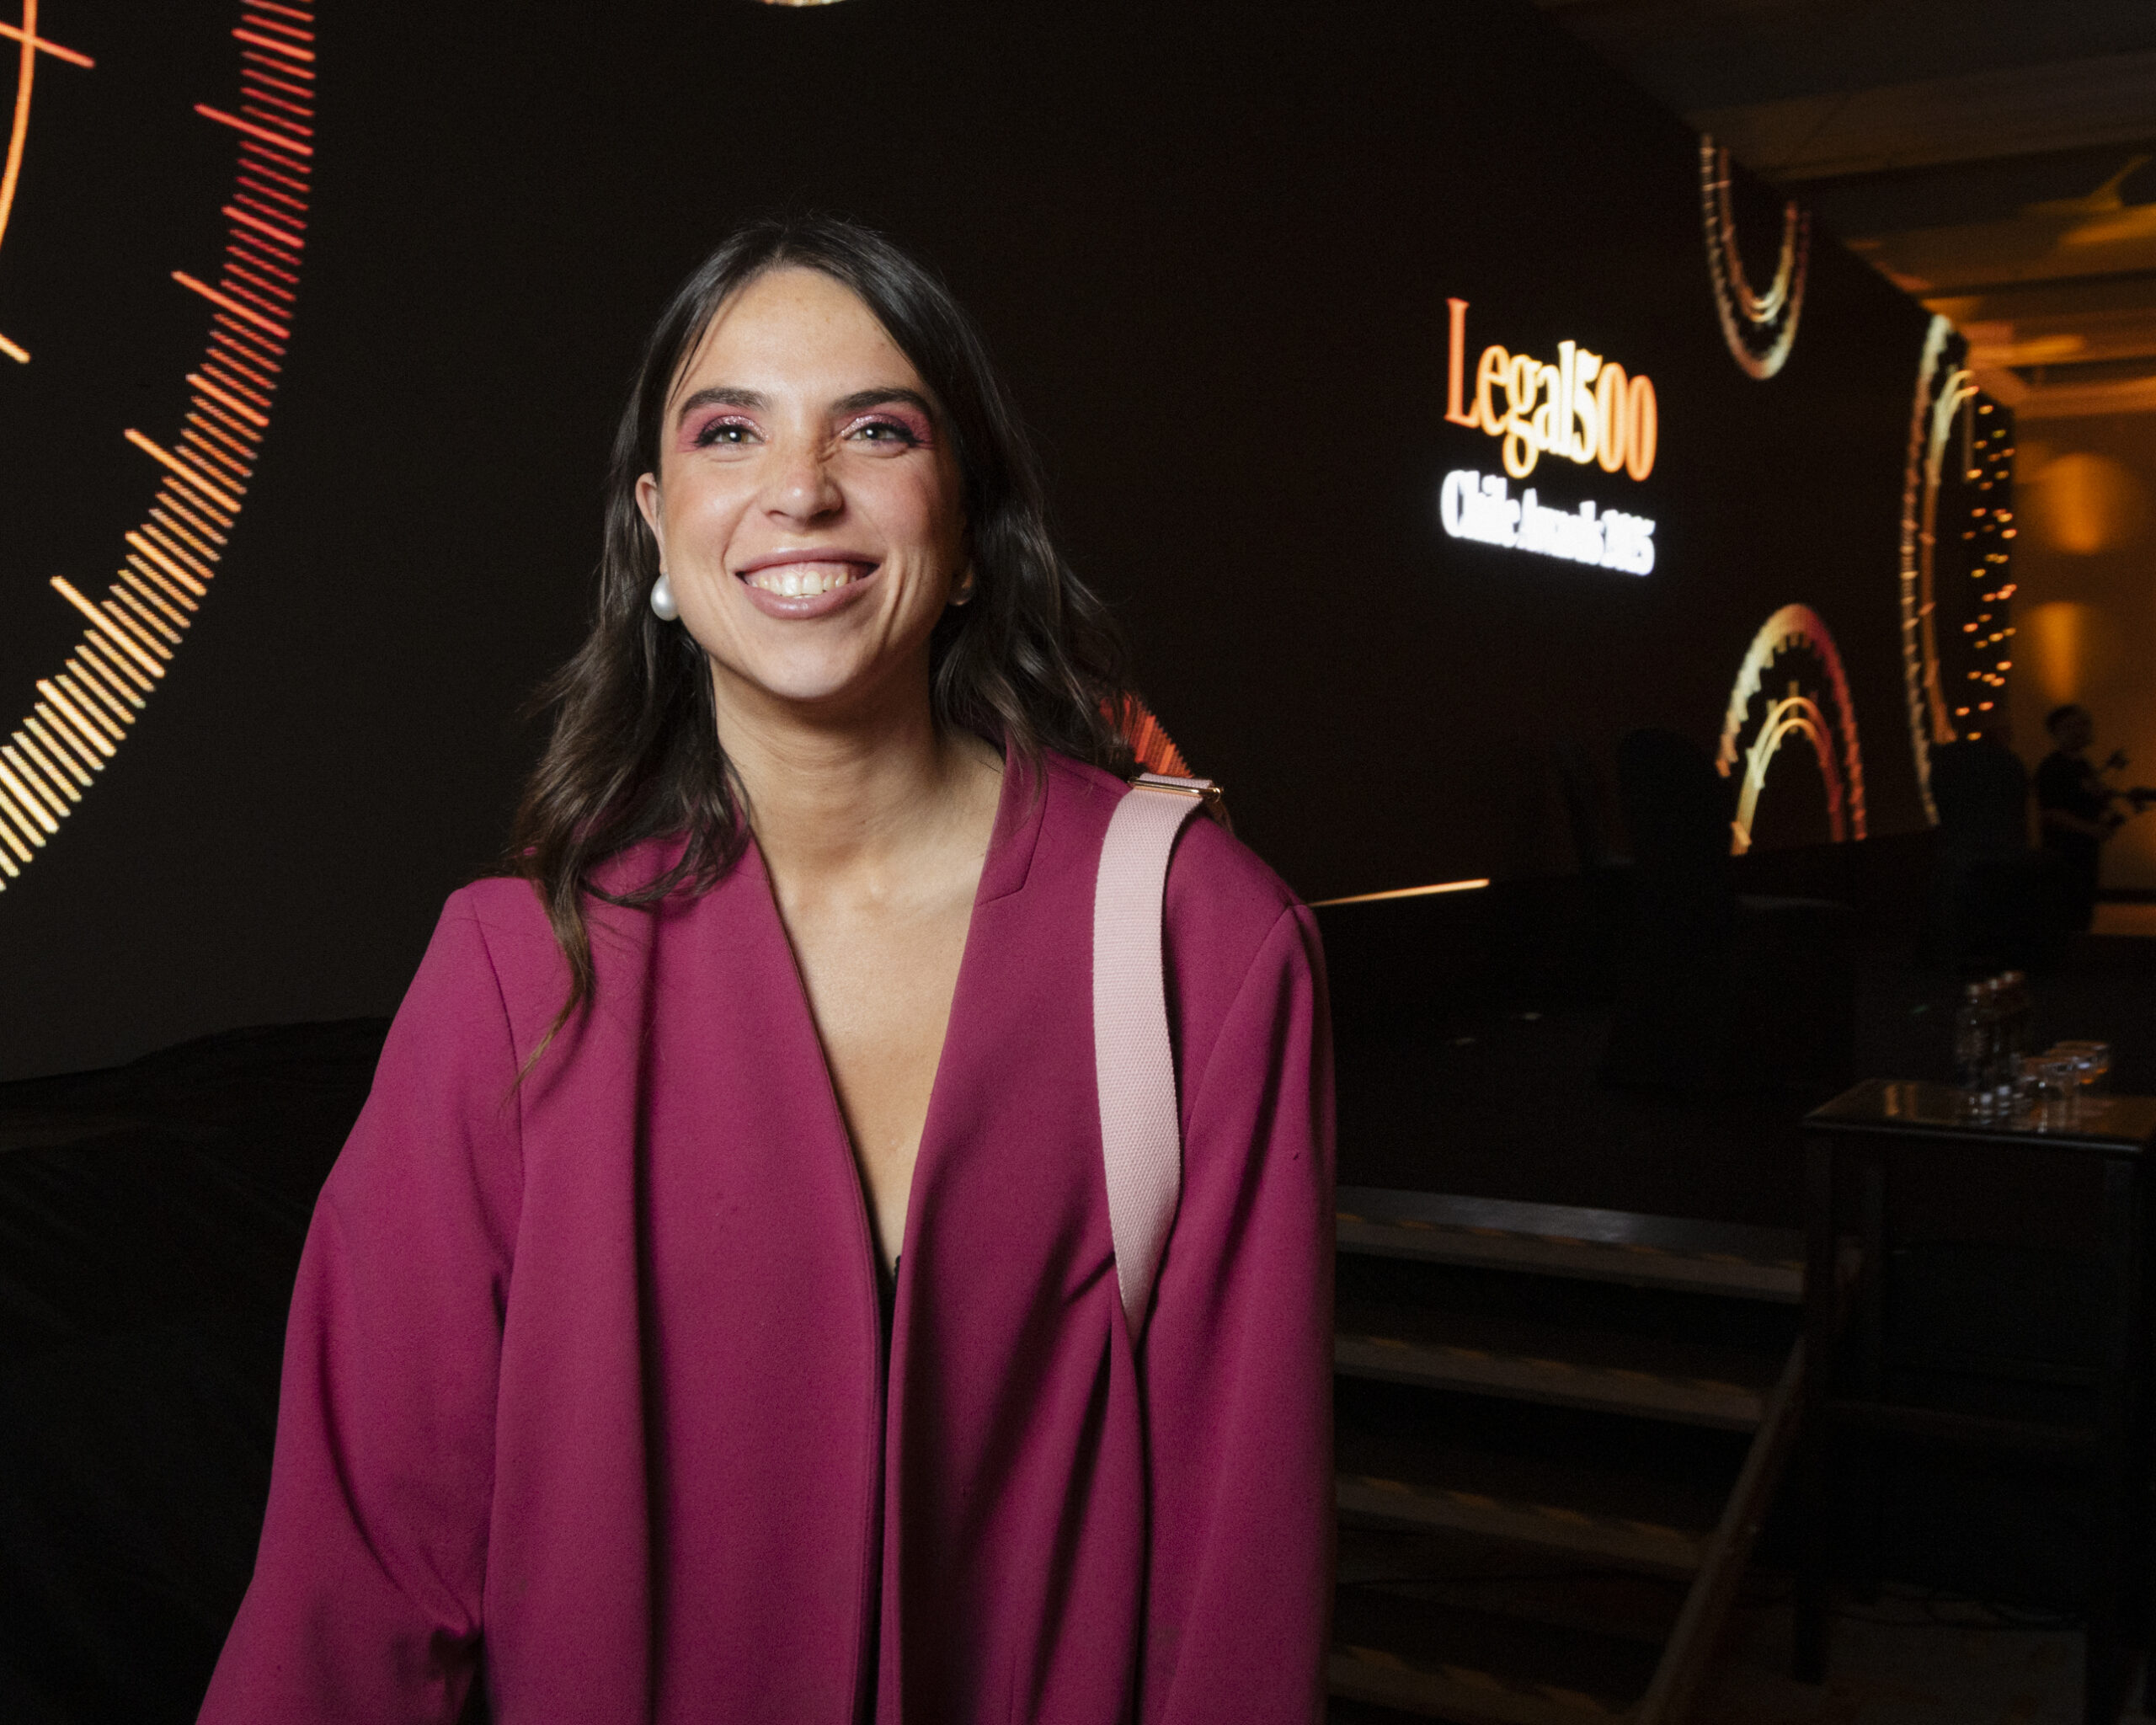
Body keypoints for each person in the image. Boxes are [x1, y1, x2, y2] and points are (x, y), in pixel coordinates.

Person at [198, 217, 1335, 1724]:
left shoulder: (1205, 939)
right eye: (730, 432)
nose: (801, 488)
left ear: (968, 525)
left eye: (878, 429)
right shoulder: (515, 972)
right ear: (658, 527)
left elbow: (1239, 1588)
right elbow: (355, 1593)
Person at [2035, 704, 2131, 932]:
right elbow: (2051, 813)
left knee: (2082, 912)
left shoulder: (2083, 765)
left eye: (2083, 724)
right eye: (2070, 726)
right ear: (2055, 733)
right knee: (2068, 915)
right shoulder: (2052, 768)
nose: (2080, 730)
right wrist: (2092, 829)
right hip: (2064, 854)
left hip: (2085, 852)